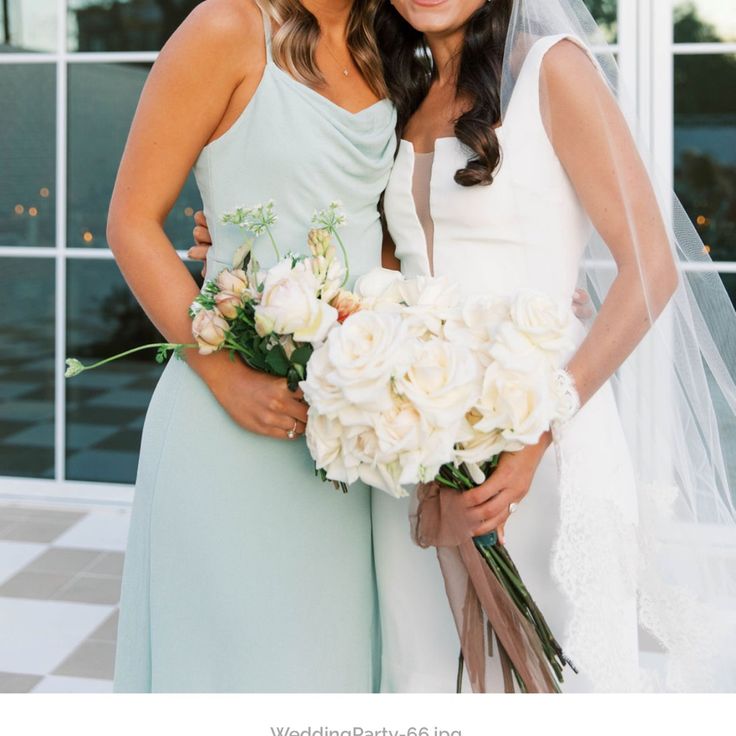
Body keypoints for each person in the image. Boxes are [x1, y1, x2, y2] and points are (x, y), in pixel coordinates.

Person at [191, 0, 736, 693]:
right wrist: (241, 244)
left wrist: (539, 430)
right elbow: (377, 263)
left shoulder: (552, 71)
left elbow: (652, 270)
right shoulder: (401, 94)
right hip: (410, 435)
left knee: (545, 672)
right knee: (422, 666)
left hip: (537, 427)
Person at [109, 0, 396, 692]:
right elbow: (131, 222)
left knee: (336, 672)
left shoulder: (393, 41)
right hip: (229, 427)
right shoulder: (226, 27)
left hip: (346, 438)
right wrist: (223, 375)